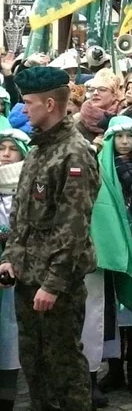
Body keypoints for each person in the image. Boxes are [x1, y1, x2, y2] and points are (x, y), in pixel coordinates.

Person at [0, 66, 100, 411]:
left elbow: (72, 227)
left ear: (50, 105)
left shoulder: (74, 153)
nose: (23, 109)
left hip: (57, 285)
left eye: (28, 103)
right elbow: (22, 215)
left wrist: (54, 284)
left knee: (65, 372)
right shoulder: (39, 149)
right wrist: (9, 257)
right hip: (28, 277)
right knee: (36, 368)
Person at [93, 116, 132, 397]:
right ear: (111, 139)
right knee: (113, 312)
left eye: (129, 136)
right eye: (119, 137)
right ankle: (114, 370)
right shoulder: (102, 168)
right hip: (114, 244)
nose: (125, 142)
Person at [0, 121, 27, 411]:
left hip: (15, 272)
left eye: (12, 150)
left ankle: (6, 397)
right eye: (1, 148)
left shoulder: (26, 187)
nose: (6, 155)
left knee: (10, 338)